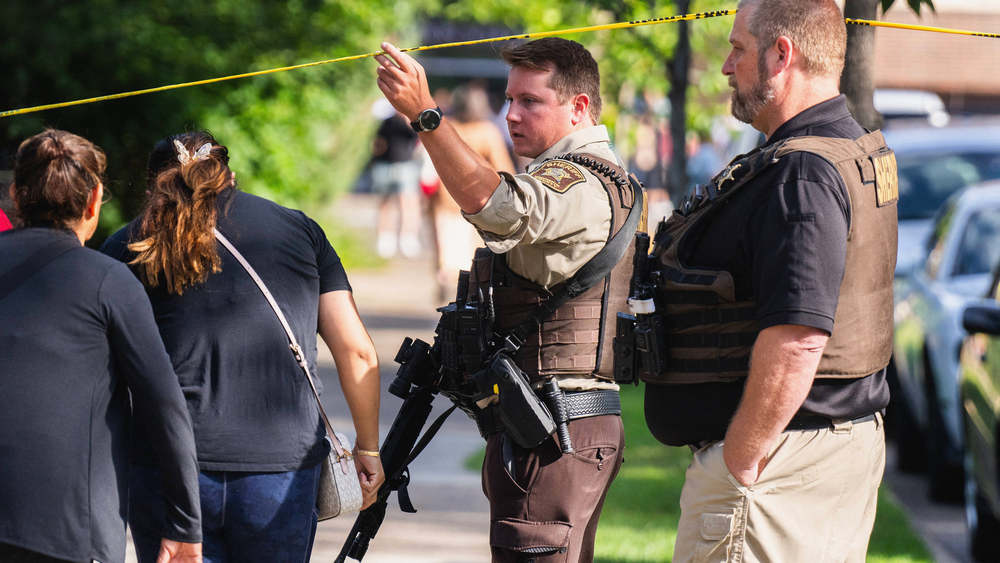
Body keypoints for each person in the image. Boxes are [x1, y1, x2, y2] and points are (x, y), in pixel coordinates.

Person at [638, 1, 898, 561]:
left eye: (738, 49)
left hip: (778, 468)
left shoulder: (803, 173)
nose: (726, 66)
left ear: (782, 55)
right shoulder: (847, 148)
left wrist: (740, 459)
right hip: (816, 451)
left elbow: (799, 338)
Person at [375, 37, 641, 562]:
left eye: (530, 101)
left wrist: (426, 116)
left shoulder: (579, 181)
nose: (511, 115)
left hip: (553, 428)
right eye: (509, 99)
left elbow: (495, 206)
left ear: (579, 107)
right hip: (549, 422)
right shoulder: (596, 176)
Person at [100, 131, 384, 562]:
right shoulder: (300, 231)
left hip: (169, 467)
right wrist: (367, 448)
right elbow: (357, 351)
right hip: (281, 468)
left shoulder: (130, 243)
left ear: (154, 185)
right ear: (227, 174)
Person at [0, 129, 202, 563]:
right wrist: (185, 523)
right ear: (94, 201)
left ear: (15, 195)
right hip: (67, 531)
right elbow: (164, 405)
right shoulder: (108, 280)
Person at [426, 83, 515, 302]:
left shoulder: (448, 128)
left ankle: (444, 280)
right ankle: (468, 291)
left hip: (444, 199)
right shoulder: (487, 132)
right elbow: (504, 169)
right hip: (477, 201)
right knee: (470, 253)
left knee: (444, 249)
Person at [370, 111, 422, 258]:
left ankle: (408, 237)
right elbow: (379, 142)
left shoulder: (412, 121)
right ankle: (385, 237)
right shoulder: (387, 121)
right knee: (385, 203)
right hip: (386, 164)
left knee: (408, 203)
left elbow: (417, 138)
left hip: (407, 165)